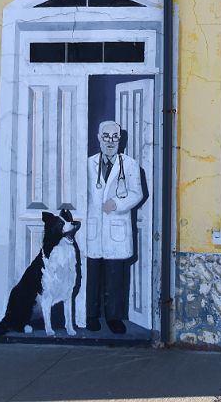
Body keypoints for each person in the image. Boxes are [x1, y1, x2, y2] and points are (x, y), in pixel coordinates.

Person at [84, 120, 144, 333]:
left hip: (116, 227)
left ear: (120, 139)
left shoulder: (129, 164)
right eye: (106, 136)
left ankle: (114, 318)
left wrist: (117, 204)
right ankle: (91, 316)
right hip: (93, 228)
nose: (110, 141)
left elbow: (137, 193)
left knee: (115, 277)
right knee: (92, 276)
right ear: (99, 138)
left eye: (115, 137)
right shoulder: (88, 163)